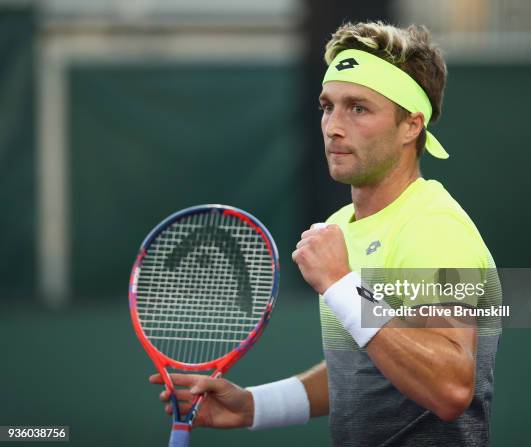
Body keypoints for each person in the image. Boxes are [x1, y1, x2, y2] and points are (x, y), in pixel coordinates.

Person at [150, 21, 502, 446]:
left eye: (358, 108)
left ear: (411, 125)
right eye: (326, 106)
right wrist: (254, 406)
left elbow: (450, 389)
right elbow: (364, 370)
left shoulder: (435, 228)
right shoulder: (339, 226)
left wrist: (340, 284)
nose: (333, 126)